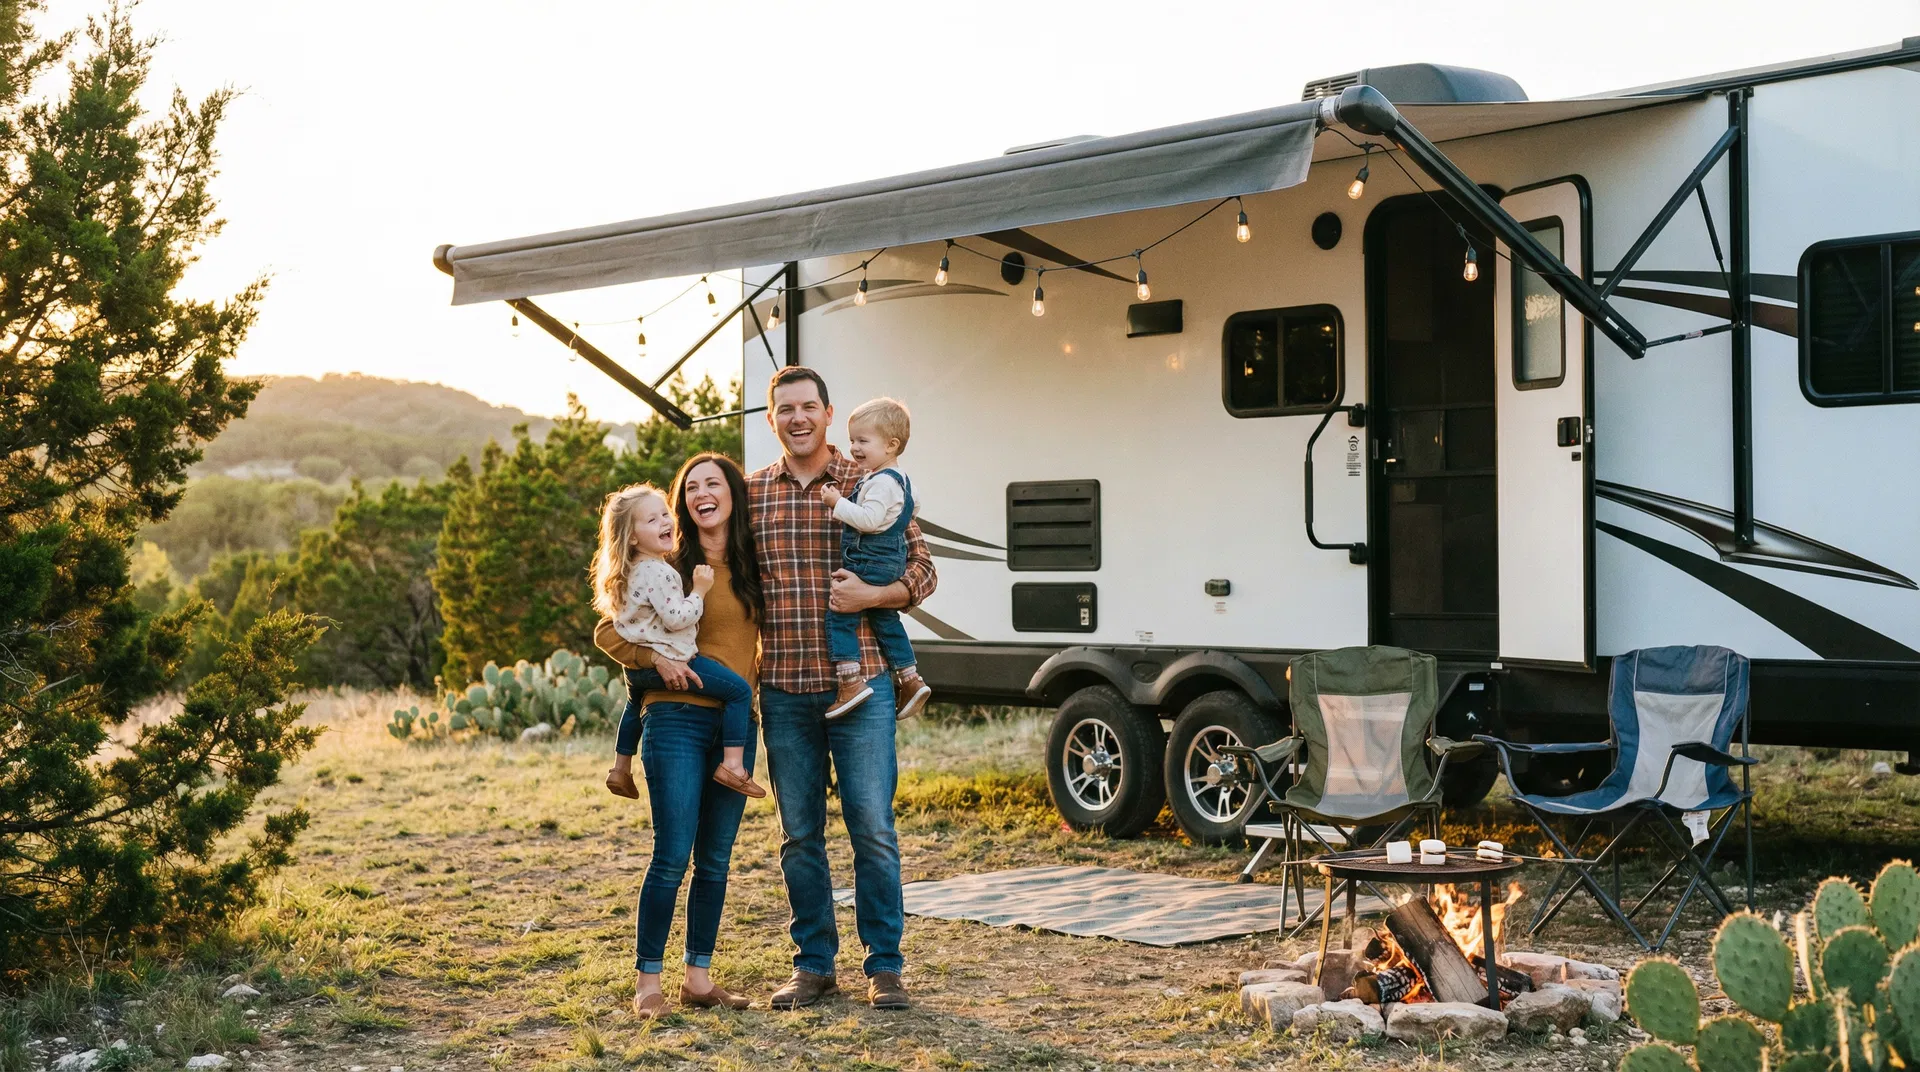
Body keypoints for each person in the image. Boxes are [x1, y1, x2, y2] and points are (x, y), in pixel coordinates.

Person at [749, 366, 937, 1012]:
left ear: (829, 414)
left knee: (872, 829)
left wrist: (876, 594)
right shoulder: (754, 495)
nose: (797, 418)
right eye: (784, 409)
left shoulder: (869, 480)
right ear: (771, 419)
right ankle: (814, 966)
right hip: (785, 690)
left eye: (808, 407)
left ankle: (884, 967)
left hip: (863, 690)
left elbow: (923, 568)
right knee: (799, 835)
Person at [593, 453, 767, 1019]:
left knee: (715, 860)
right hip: (677, 717)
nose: (699, 495)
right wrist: (652, 660)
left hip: (736, 725)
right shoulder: (672, 560)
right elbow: (606, 630)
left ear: (733, 494)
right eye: (690, 488)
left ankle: (698, 977)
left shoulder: (753, 562)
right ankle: (648, 982)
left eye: (712, 484)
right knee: (671, 856)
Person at [593, 482, 763, 799]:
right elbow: (676, 617)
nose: (665, 522)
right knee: (739, 692)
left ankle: (620, 768)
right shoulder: (660, 571)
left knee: (634, 706)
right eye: (652, 520)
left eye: (664, 514)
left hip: (638, 668)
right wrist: (698, 590)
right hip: (671, 661)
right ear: (631, 537)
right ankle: (733, 766)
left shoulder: (628, 571)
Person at [820, 396, 932, 721]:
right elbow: (913, 509)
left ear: (891, 445)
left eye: (862, 441)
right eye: (852, 439)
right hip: (891, 561)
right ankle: (910, 678)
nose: (854, 447)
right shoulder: (901, 480)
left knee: (840, 613)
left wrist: (836, 502)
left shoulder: (881, 483)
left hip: (869, 561)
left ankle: (850, 680)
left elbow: (868, 520)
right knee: (886, 619)